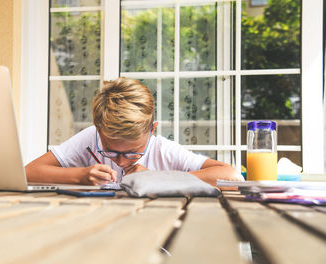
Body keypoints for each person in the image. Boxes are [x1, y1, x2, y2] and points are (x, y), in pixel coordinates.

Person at [25, 78, 244, 186]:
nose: (120, 162)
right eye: (110, 152)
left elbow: (231, 176)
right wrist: (81, 175)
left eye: (132, 153)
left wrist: (158, 179)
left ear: (152, 130)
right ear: (98, 129)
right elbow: (28, 172)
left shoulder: (162, 150)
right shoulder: (90, 138)